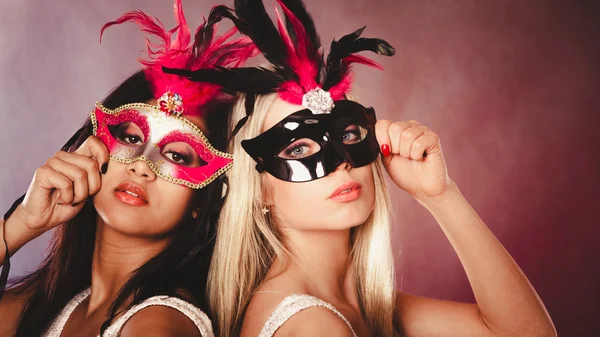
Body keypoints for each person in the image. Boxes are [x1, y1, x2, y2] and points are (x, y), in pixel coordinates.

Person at [166, 0, 557, 336]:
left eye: (349, 134)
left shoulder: (360, 306)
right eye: (299, 147)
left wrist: (439, 195)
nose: (341, 165)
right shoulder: (314, 326)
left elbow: (523, 331)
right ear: (258, 192)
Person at [0, 1, 254, 336]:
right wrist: (21, 224)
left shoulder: (159, 326)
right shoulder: (40, 304)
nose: (141, 165)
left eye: (177, 156)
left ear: (201, 201)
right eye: (131, 137)